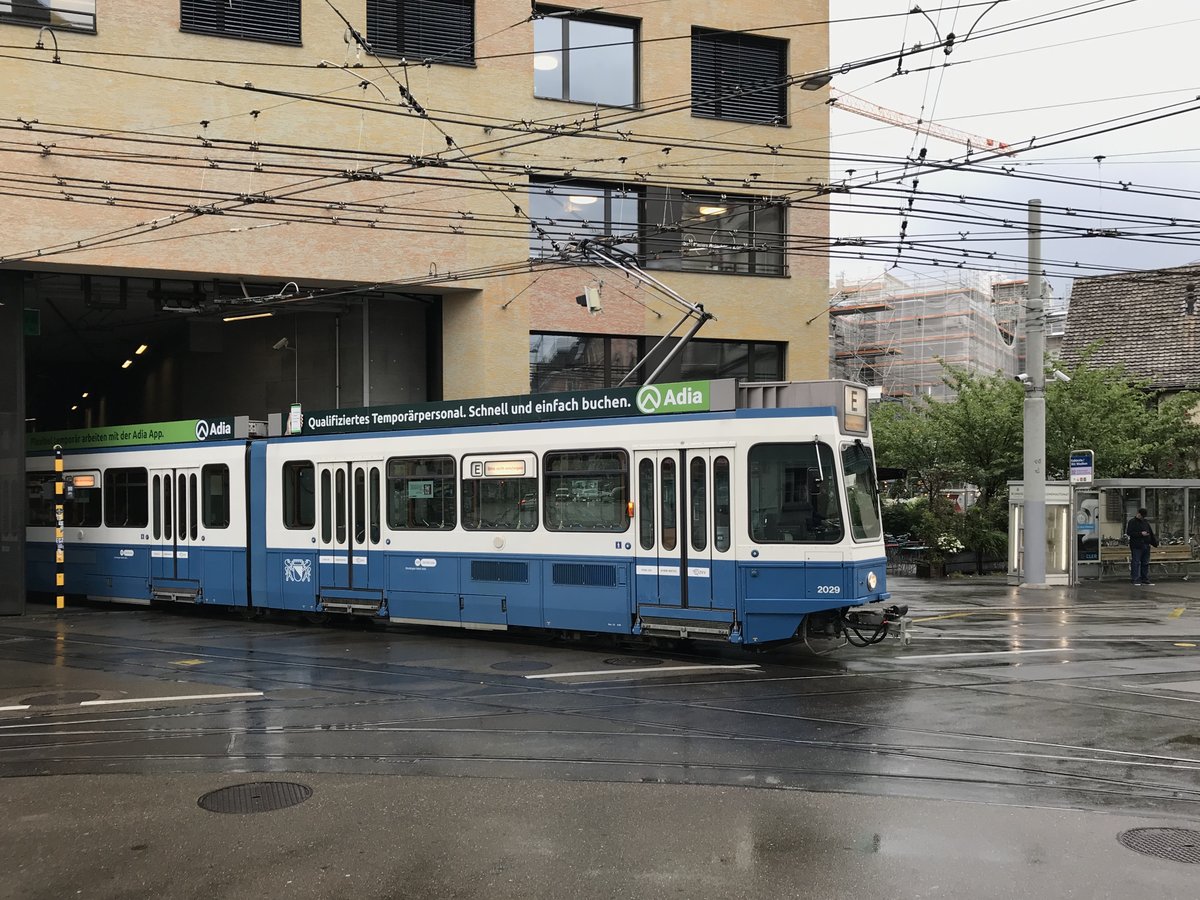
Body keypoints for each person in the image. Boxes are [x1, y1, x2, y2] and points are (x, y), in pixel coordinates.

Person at [1125, 508, 1158, 585]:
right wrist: (1140, 534)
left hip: (1146, 544)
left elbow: (1150, 532)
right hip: (1136, 545)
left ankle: (1144, 578)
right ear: (1138, 514)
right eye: (1142, 516)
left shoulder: (1145, 522)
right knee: (1136, 562)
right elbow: (1129, 532)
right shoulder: (1132, 522)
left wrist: (1154, 542)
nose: (1143, 517)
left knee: (1145, 562)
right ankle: (1135, 578)